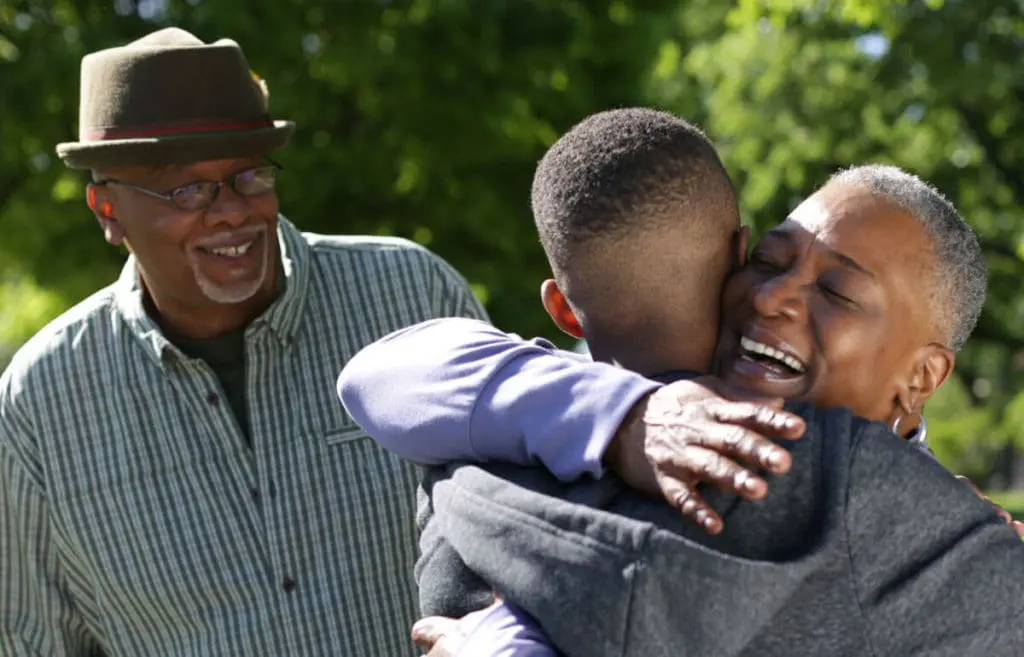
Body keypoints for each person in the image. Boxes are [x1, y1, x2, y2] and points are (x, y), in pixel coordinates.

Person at [338, 110, 1024, 655]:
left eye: (837, 292)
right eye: (768, 259)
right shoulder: (616, 418)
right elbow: (385, 373)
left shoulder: (946, 564)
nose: (770, 296)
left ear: (922, 376)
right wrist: (629, 416)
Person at [0, 27, 487, 656]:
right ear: (107, 211)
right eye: (187, 189)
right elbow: (29, 641)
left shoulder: (411, 298)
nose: (232, 210)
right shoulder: (41, 404)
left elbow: (523, 530)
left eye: (249, 175)